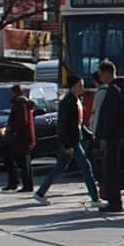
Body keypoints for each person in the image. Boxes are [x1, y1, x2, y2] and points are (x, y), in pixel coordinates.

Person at [34, 75, 99, 206]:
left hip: (72, 140)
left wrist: (89, 134)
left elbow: (78, 124)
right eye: (80, 85)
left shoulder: (76, 100)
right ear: (73, 86)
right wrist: (67, 144)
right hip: (71, 141)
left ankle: (40, 193)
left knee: (60, 167)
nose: (83, 88)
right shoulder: (68, 102)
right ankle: (95, 199)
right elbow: (63, 126)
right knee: (86, 167)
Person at [93, 60, 124, 212]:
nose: (100, 77)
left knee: (110, 170)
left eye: (101, 74)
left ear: (107, 73)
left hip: (112, 137)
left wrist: (104, 138)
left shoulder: (113, 90)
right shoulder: (122, 89)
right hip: (117, 135)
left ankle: (116, 202)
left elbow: (109, 118)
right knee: (112, 168)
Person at [2, 84, 36, 192]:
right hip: (24, 136)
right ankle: (16, 183)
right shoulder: (23, 102)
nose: (9, 96)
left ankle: (26, 185)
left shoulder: (20, 103)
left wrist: (14, 131)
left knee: (22, 161)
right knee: (22, 160)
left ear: (15, 93)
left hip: (21, 137)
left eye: (11, 93)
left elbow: (22, 120)